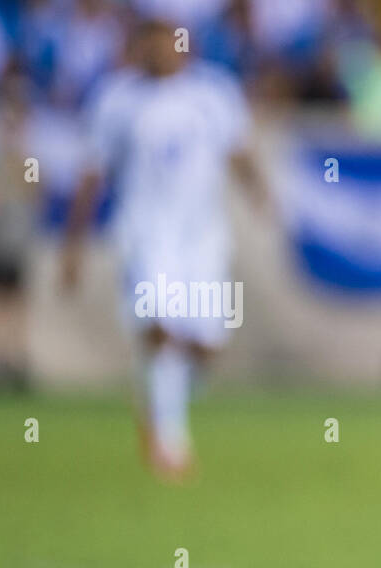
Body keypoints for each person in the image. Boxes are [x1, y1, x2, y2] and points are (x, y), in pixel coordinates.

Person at [62, 16, 265, 481]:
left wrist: (261, 195)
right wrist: (72, 246)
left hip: (204, 237)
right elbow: (92, 174)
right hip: (145, 233)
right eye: (149, 43)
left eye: (166, 42)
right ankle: (169, 443)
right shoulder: (116, 99)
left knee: (208, 344)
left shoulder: (214, 93)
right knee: (159, 327)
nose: (159, 52)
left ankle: (159, 399)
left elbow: (238, 151)